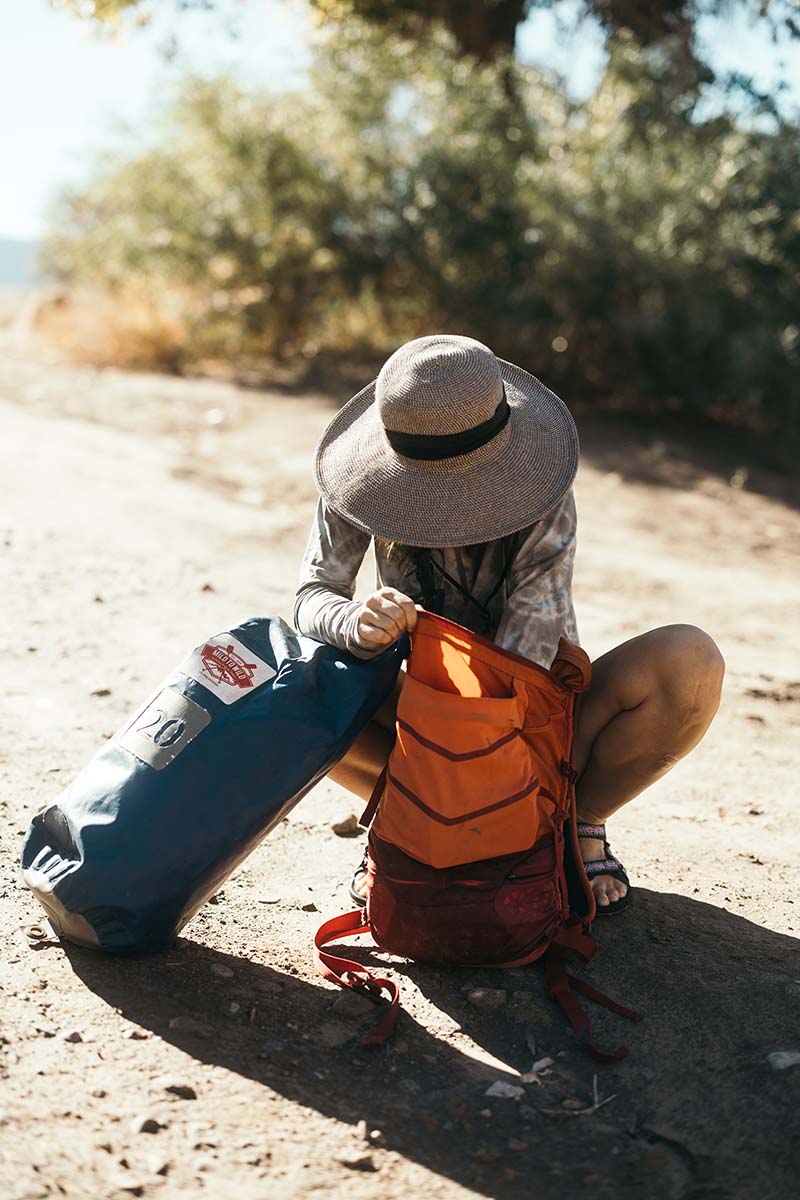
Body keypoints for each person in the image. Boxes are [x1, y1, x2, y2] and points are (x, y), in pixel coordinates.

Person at [293, 334, 724, 915]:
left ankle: (575, 822)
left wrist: (497, 791)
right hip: (414, 713)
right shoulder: (356, 479)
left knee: (689, 660)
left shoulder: (543, 482)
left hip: (535, 714)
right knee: (294, 681)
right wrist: (353, 622)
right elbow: (312, 594)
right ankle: (403, 826)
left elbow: (530, 649)